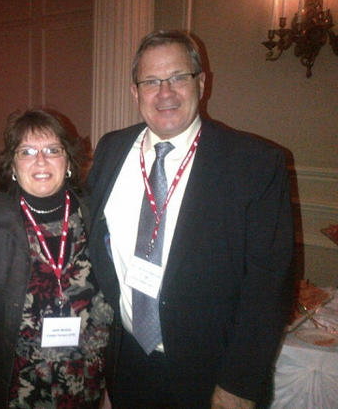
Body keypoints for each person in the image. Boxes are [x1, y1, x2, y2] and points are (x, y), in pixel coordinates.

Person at [87, 30, 294, 408]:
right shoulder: (111, 149)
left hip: (212, 374)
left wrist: (238, 385)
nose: (165, 93)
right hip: (127, 362)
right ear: (135, 92)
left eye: (178, 77)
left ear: (201, 83)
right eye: (151, 81)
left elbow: (269, 286)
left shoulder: (254, 164)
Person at [0, 109, 113, 408]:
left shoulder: (98, 214)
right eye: (27, 151)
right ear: (12, 165)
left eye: (52, 150)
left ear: (69, 162)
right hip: (18, 390)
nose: (40, 160)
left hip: (86, 385)